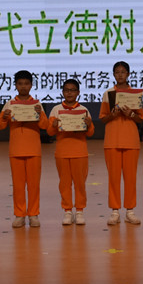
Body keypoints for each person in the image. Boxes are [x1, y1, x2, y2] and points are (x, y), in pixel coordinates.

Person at [0, 70, 48, 227]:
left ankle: (33, 214)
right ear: (15, 85)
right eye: (20, 84)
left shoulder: (37, 104)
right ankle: (19, 214)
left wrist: (40, 115)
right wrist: (4, 116)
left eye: (26, 83)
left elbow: (45, 125)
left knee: (33, 185)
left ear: (31, 85)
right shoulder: (10, 104)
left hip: (34, 150)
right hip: (16, 150)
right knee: (18, 185)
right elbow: (0, 125)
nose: (23, 86)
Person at [99, 61, 143, 226]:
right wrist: (113, 115)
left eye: (123, 72)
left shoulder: (135, 94)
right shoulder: (108, 94)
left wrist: (130, 113)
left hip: (131, 140)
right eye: (117, 72)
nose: (120, 75)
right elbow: (103, 118)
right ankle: (115, 211)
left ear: (128, 74)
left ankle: (130, 211)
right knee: (114, 178)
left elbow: (140, 118)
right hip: (112, 140)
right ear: (113, 74)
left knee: (130, 178)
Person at [47, 78, 94, 226]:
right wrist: (53, 125)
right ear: (62, 92)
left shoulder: (84, 110)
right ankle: (67, 211)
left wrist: (89, 125)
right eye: (67, 90)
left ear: (78, 92)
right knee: (64, 184)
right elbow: (49, 132)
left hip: (80, 152)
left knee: (80, 183)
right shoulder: (56, 110)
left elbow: (90, 133)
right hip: (62, 152)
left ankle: (79, 211)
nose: (69, 93)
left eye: (72, 90)